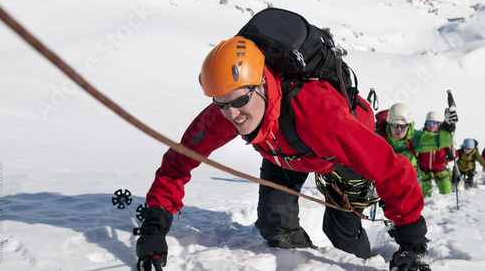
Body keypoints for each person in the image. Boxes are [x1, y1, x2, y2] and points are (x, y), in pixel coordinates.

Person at [136, 36, 433, 271]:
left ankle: (361, 262)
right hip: (285, 154)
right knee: (274, 224)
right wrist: (154, 225)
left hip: (342, 157)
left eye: (239, 101)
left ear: (262, 83)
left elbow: (393, 171)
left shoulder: (320, 116)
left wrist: (412, 245)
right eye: (221, 104)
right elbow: (179, 162)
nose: (232, 114)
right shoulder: (231, 106)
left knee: (341, 232)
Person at [376, 104, 456, 175]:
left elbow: (441, 141)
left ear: (409, 125)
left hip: (408, 182)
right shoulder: (378, 136)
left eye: (403, 125)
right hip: (383, 181)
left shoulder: (416, 138)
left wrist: (448, 127)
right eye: (395, 125)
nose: (399, 129)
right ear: (389, 125)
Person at [416, 111, 455, 197]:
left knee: (446, 193)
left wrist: (451, 154)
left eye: (434, 122)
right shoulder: (421, 136)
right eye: (429, 122)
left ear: (439, 124)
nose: (431, 125)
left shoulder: (443, 136)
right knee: (424, 195)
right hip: (424, 170)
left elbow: (454, 155)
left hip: (440, 170)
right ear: (426, 123)